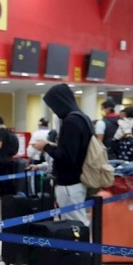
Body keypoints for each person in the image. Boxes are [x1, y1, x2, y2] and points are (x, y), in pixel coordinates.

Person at [34, 84, 93, 226]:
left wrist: (46, 147)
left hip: (69, 182)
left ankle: (78, 248)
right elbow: (74, 149)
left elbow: (66, 156)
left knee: (74, 224)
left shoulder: (70, 121)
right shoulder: (82, 118)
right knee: (77, 221)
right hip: (77, 179)